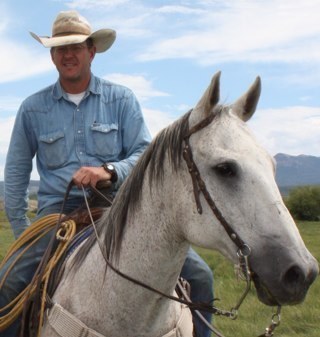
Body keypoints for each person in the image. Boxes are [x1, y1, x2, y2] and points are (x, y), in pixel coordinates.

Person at [1, 10, 213, 337]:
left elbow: (145, 156)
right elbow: (15, 176)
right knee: (10, 284)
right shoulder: (32, 108)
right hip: (57, 218)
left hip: (118, 211)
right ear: (52, 55)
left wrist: (109, 171)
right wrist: (22, 236)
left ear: (92, 51)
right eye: (60, 48)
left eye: (76, 46)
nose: (68, 54)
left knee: (199, 276)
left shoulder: (121, 99)